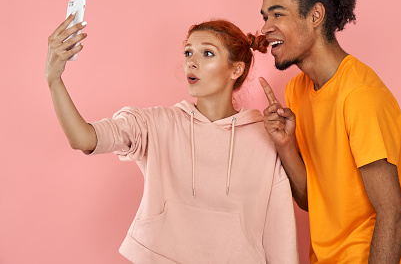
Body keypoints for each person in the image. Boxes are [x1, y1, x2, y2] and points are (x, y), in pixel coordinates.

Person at [45, 15, 299, 263]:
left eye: (207, 53)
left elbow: (279, 230)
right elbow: (85, 139)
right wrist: (54, 80)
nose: (192, 62)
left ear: (236, 69)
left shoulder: (265, 137)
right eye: (188, 53)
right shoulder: (156, 124)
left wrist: (284, 143)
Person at [258, 0, 401, 263]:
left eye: (278, 14)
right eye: (265, 16)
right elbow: (311, 200)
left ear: (316, 15)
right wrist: (285, 146)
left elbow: (393, 214)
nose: (266, 27)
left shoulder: (360, 95)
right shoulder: (296, 91)